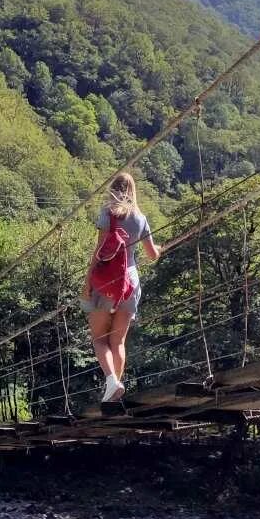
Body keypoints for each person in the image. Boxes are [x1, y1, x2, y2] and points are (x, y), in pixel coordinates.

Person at [80, 171, 163, 402]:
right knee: (118, 341)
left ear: (113, 189)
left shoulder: (108, 213)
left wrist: (87, 283)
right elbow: (151, 254)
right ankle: (114, 392)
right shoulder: (141, 218)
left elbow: (99, 251)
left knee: (99, 339)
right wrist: (160, 249)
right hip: (130, 283)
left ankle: (112, 383)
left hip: (107, 282)